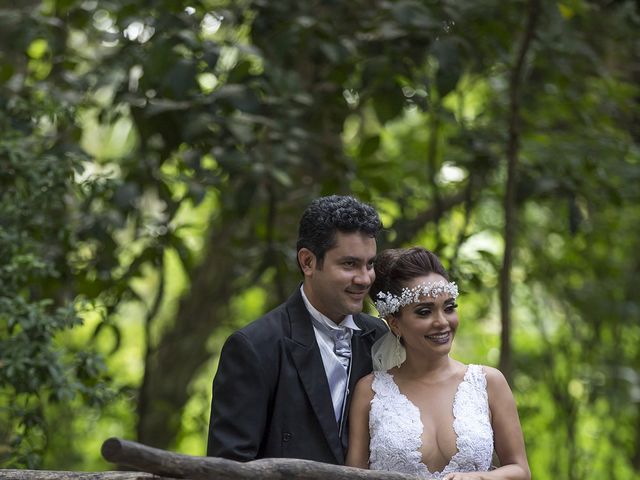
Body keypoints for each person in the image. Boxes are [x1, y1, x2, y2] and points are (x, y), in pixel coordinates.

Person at [207, 195, 388, 464]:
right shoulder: (254, 346)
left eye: (370, 264)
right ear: (308, 262)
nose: (364, 279)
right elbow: (229, 467)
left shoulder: (381, 338)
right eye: (349, 264)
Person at [346, 247, 531, 480]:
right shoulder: (370, 391)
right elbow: (352, 476)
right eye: (424, 312)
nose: (442, 322)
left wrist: (480, 478)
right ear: (395, 324)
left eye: (449, 308)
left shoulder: (487, 383)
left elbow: (520, 470)